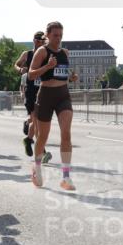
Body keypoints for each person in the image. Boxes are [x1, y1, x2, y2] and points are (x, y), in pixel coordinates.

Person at [28, 21, 79, 190]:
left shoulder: (65, 52)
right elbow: (30, 74)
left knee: (66, 133)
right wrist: (47, 66)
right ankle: (37, 167)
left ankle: (66, 177)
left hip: (63, 95)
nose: (58, 39)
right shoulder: (42, 51)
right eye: (55, 35)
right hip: (46, 96)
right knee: (43, 136)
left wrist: (71, 77)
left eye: (61, 35)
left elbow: (63, 74)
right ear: (48, 35)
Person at [14, 31, 47, 157]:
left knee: (39, 121)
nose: (40, 43)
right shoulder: (27, 54)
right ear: (34, 41)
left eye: (42, 41)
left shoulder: (46, 54)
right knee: (36, 120)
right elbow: (16, 64)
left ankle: (29, 140)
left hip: (43, 90)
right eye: (38, 41)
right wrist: (20, 69)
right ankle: (41, 151)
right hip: (31, 91)